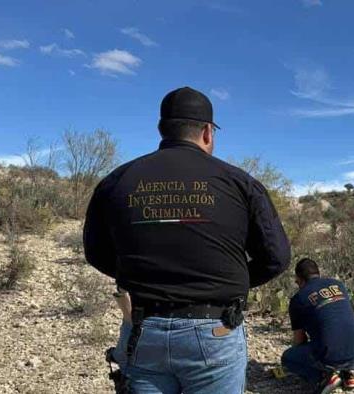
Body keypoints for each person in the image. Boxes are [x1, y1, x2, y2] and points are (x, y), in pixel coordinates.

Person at [83, 86, 291, 394]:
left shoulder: (117, 181)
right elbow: (276, 257)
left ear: (161, 130)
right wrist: (228, 282)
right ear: (208, 132)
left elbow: (96, 253)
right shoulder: (240, 183)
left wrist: (141, 278)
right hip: (215, 329)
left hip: (143, 328)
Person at [281, 258, 354, 394]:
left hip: (331, 354)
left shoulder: (298, 299)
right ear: (318, 273)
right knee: (341, 335)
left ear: (299, 279)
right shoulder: (338, 285)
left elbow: (299, 340)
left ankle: (324, 377)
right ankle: (350, 374)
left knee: (288, 358)